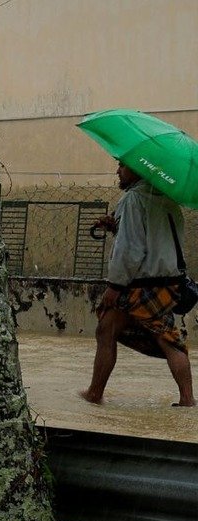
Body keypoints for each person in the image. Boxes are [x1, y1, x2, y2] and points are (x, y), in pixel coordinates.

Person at [82, 162, 194, 407]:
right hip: (169, 283)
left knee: (110, 331)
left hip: (142, 284)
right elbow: (153, 237)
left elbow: (130, 249)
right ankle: (188, 401)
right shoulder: (167, 200)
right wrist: (116, 225)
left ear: (138, 170)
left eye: (122, 166)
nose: (118, 171)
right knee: (164, 338)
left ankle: (94, 394)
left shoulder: (133, 199)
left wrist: (115, 286)